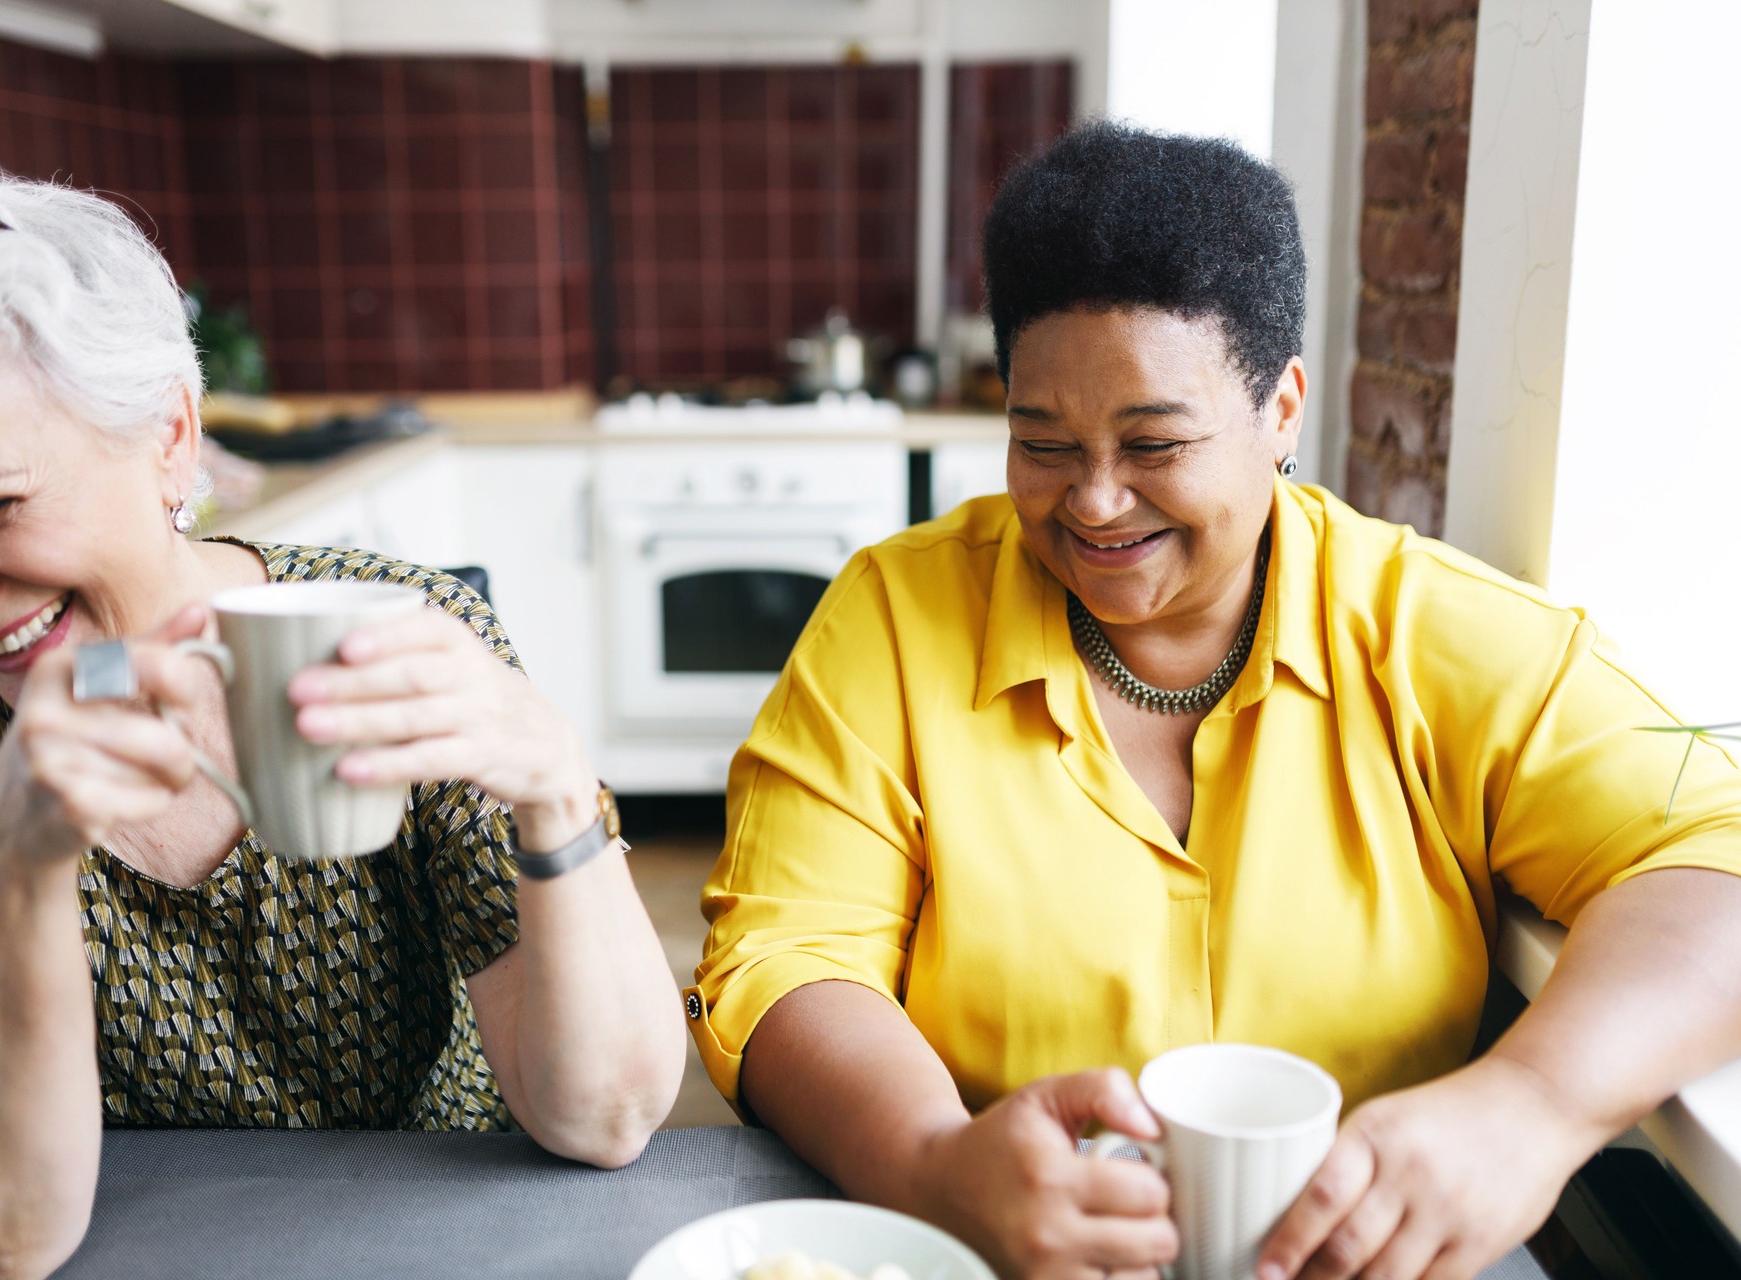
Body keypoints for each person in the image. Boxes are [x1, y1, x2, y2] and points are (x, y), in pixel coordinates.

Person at [687, 120, 1741, 1280]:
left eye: (1154, 442)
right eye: (1042, 442)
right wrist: (938, 1161)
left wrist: (1536, 1104)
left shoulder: (1430, 628)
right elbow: (787, 955)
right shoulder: (892, 618)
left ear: (1282, 409)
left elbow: (1713, 849)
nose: (1093, 502)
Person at [0, 167, 686, 1280]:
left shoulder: (394, 634)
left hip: (455, 1238)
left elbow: (606, 1114)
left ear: (170, 437)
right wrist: (15, 866)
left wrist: (560, 785)